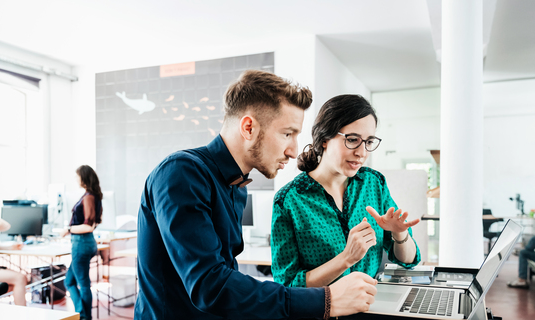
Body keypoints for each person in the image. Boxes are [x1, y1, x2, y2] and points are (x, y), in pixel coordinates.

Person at [136, 70, 378, 320]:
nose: (294, 151)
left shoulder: (236, 187)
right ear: (248, 127)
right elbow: (210, 287)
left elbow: (227, 279)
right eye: (288, 134)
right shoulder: (181, 173)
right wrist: (326, 300)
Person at [271, 94, 421, 288]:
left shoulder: (374, 183)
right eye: (352, 140)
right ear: (324, 138)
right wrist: (346, 258)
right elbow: (287, 285)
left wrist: (400, 235)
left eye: (368, 142)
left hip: (371, 307)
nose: (362, 153)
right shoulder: (288, 201)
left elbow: (408, 260)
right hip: (322, 312)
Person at [61, 165, 103, 320]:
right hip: (85, 244)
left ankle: (84, 317)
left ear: (83, 177)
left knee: (83, 284)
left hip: (82, 244)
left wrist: (69, 229)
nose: (75, 179)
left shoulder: (89, 197)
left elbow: (87, 226)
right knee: (69, 281)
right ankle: (82, 313)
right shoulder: (92, 196)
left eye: (77, 176)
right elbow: (95, 223)